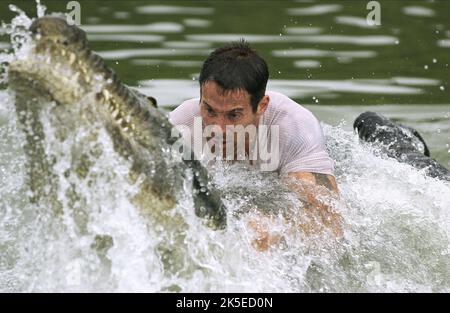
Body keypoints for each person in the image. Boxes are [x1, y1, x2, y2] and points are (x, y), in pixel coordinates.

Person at [169, 40, 343, 250]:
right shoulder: (181, 124)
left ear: (262, 106)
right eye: (210, 111)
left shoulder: (294, 128)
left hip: (320, 158)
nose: (218, 129)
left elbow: (332, 222)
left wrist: (280, 230)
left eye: (234, 115)